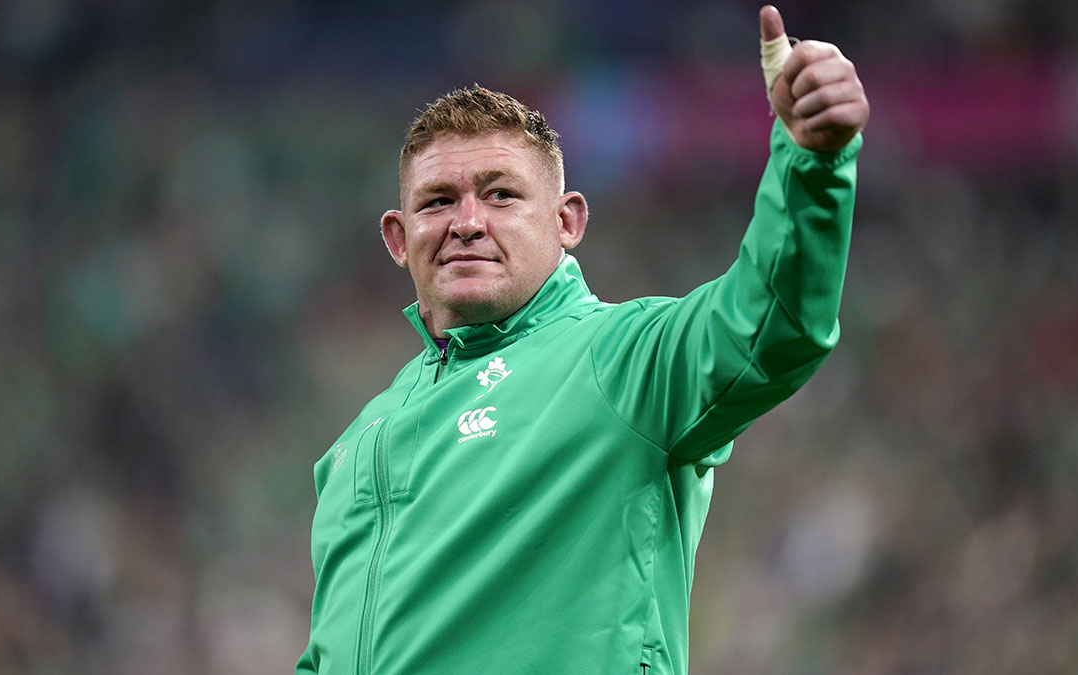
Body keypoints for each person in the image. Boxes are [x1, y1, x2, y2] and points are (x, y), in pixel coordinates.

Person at [297, 5, 868, 674]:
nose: (468, 222)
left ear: (567, 221)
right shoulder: (356, 444)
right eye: (438, 201)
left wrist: (813, 164)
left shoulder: (622, 361)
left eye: (501, 193)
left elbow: (771, 322)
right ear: (399, 237)